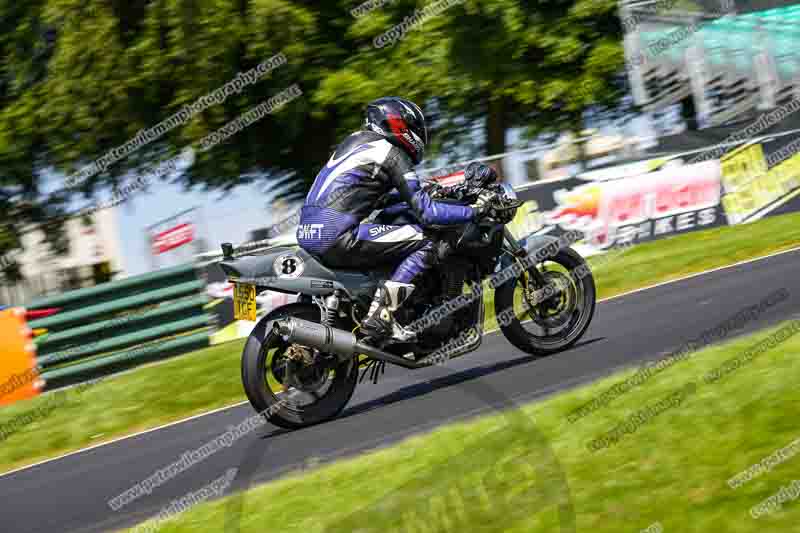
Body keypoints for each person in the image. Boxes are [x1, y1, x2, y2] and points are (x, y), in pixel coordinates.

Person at [296, 96, 494, 343]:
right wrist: (474, 211)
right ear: (400, 125)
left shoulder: (353, 144)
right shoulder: (391, 152)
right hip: (337, 235)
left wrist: (427, 191)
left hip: (308, 233)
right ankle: (382, 316)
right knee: (428, 240)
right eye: (416, 129)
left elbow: (373, 197)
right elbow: (428, 213)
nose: (420, 135)